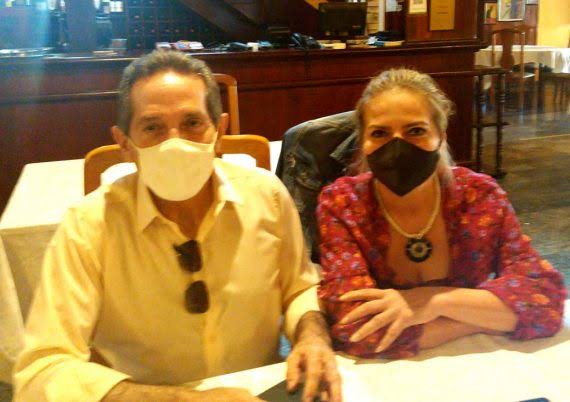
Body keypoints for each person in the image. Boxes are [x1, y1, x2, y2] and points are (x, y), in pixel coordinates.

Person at [13, 50, 341, 402]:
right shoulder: (89, 225)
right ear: (124, 144)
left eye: (192, 123)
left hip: (259, 392)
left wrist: (312, 335)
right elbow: (41, 370)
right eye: (152, 127)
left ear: (219, 132)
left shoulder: (266, 196)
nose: (174, 143)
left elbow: (299, 287)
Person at [317, 68, 567, 359]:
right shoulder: (343, 204)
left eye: (415, 131)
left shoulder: (480, 197)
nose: (397, 146)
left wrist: (433, 301)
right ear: (363, 142)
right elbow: (356, 330)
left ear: (441, 136)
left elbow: (546, 302)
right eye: (380, 133)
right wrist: (478, 320)